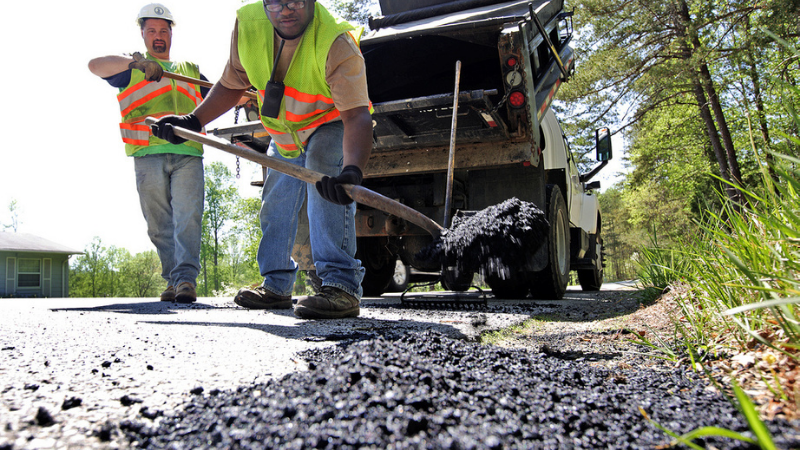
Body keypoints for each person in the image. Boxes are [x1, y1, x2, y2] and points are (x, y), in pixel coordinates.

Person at [152, 0, 372, 319]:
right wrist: (193, 121)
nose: (285, 10)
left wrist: (351, 171)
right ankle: (276, 286)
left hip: (329, 122)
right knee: (276, 202)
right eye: (275, 2)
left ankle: (342, 287)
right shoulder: (248, 25)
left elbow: (356, 116)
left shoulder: (336, 42)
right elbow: (232, 83)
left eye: (295, 0)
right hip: (285, 133)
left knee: (325, 180)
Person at [89, 3, 208, 303]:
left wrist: (250, 98)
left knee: (188, 218)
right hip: (147, 154)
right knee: (159, 224)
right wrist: (136, 64)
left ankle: (185, 280)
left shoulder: (190, 70)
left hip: (188, 152)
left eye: (163, 31)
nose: (158, 36)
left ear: (171, 34)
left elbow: (221, 94)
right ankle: (172, 279)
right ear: (142, 34)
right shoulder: (129, 68)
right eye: (152, 30)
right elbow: (94, 65)